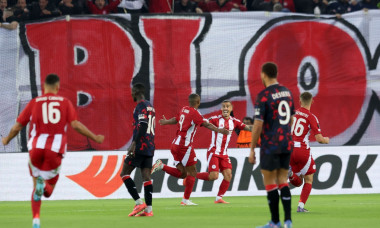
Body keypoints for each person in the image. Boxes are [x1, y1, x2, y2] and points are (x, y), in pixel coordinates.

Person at [1, 74, 104, 228]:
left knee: (36, 187)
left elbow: (17, 126)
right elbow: (75, 125)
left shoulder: (34, 103)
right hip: (54, 151)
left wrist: (7, 139)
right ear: (57, 87)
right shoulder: (64, 103)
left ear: (44, 87)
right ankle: (44, 185)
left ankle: (36, 219)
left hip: (35, 149)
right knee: (48, 192)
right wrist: (94, 137)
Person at [151, 93, 229, 205]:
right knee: (192, 172)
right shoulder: (195, 113)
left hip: (175, 144)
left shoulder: (184, 109)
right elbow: (206, 125)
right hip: (184, 146)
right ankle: (185, 200)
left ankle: (162, 166)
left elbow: (176, 119)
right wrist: (219, 130)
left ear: (189, 101)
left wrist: (166, 122)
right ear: (198, 102)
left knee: (182, 173)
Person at [249, 62, 295, 228]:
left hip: (270, 144)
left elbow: (258, 125)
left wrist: (252, 149)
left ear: (263, 74)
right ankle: (288, 221)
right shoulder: (287, 93)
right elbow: (291, 118)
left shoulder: (263, 95)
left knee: (269, 182)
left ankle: (275, 222)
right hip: (286, 141)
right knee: (283, 180)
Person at [195, 100, 252, 204]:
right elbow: (203, 122)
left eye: (227, 106)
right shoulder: (215, 119)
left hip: (224, 153)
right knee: (214, 176)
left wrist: (261, 127)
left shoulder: (234, 121)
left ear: (231, 109)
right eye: (223, 106)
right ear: (221, 109)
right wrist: (215, 128)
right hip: (214, 152)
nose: (225, 108)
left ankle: (218, 198)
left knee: (228, 175)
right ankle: (191, 175)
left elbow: (248, 128)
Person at [288, 92, 329, 212]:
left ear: (300, 101)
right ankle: (300, 206)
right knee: (308, 179)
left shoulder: (291, 114)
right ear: (312, 101)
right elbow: (319, 139)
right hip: (302, 150)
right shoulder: (311, 117)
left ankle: (290, 174)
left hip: (289, 149)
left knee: (298, 180)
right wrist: (326, 140)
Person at [119, 83, 156, 217]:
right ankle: (149, 209)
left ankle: (139, 202)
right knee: (146, 177)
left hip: (140, 146)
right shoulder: (150, 106)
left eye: (132, 91)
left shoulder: (140, 106)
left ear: (135, 92)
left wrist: (134, 143)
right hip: (150, 145)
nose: (131, 94)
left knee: (124, 173)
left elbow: (143, 124)